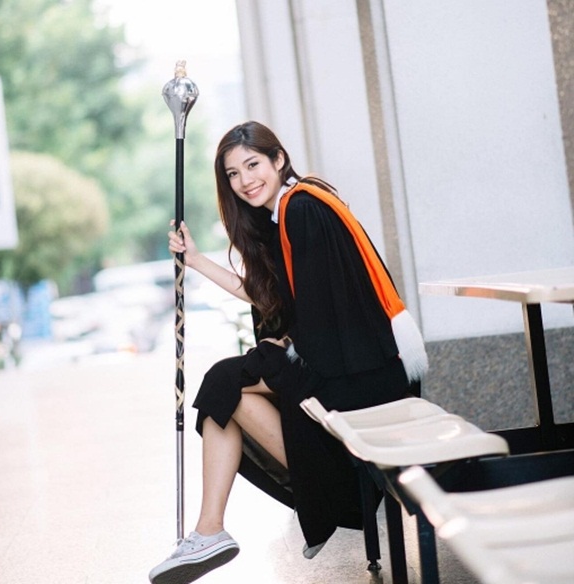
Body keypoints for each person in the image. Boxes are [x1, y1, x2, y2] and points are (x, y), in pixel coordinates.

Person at [148, 121, 428, 584]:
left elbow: (324, 312)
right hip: (349, 364)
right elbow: (271, 296)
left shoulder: (303, 209)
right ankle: (217, 528)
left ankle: (305, 498)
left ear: (278, 159)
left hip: (364, 373)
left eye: (252, 164)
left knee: (224, 382)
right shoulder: (287, 211)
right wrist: (195, 261)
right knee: (229, 391)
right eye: (233, 174)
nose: (244, 180)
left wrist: (283, 347)